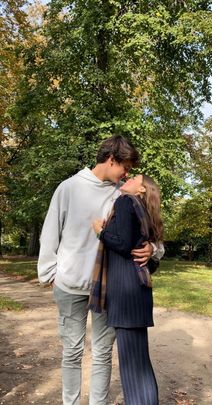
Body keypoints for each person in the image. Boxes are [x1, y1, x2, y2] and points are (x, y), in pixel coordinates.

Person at [37, 135, 160, 405]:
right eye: (125, 167)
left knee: (103, 353)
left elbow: (150, 231)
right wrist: (50, 274)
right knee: (72, 352)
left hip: (108, 288)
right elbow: (50, 233)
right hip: (69, 285)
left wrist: (153, 249)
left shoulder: (123, 193)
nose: (128, 174)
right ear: (111, 160)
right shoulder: (69, 188)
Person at [92, 174, 164, 405]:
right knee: (140, 364)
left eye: (134, 178)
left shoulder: (125, 202)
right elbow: (137, 249)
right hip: (137, 292)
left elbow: (123, 245)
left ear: (141, 189)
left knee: (133, 368)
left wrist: (101, 232)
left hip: (125, 292)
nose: (129, 178)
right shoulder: (143, 211)